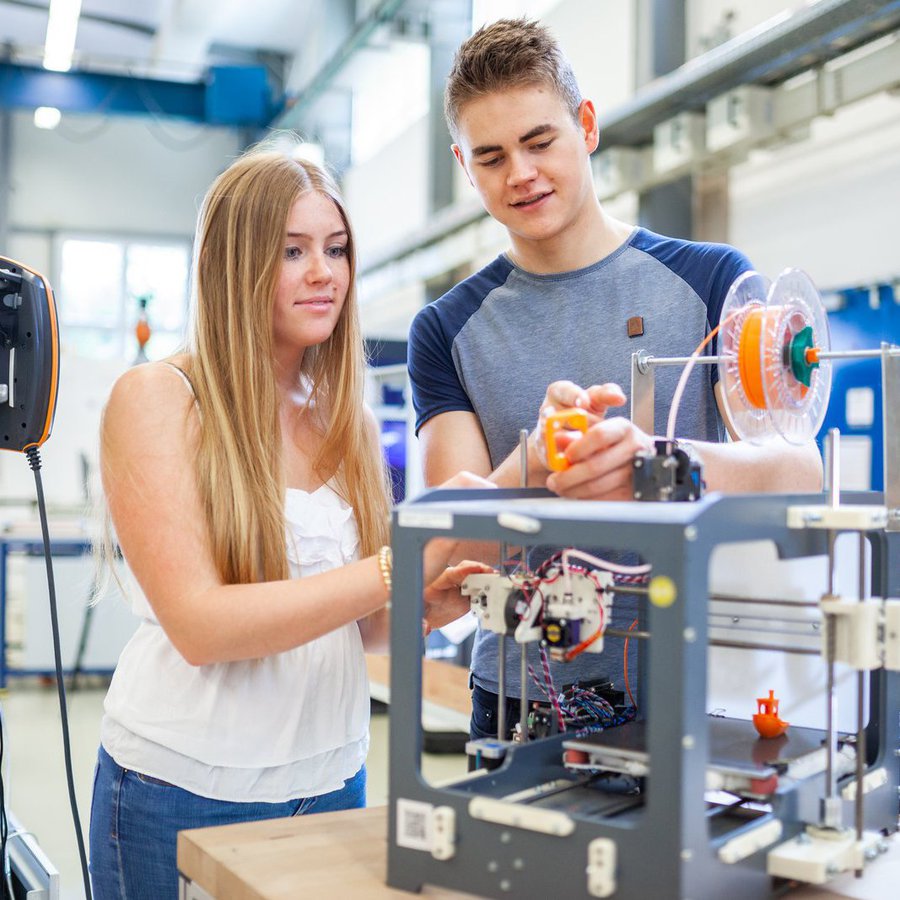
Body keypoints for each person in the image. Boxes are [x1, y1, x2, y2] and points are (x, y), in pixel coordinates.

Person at [88, 142, 490, 900]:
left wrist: (423, 605)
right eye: (293, 251)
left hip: (333, 776)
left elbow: (361, 628)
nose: (324, 273)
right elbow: (201, 628)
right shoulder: (160, 399)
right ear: (235, 265)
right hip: (182, 788)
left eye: (336, 250)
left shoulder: (348, 419)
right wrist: (395, 568)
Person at [407, 18, 823, 742]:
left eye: (540, 142)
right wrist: (536, 459)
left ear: (588, 126)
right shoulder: (446, 328)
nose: (521, 173)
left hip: (700, 683)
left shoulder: (711, 280)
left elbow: (799, 471)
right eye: (492, 157)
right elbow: (457, 553)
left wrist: (659, 465)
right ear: (464, 168)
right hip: (522, 701)